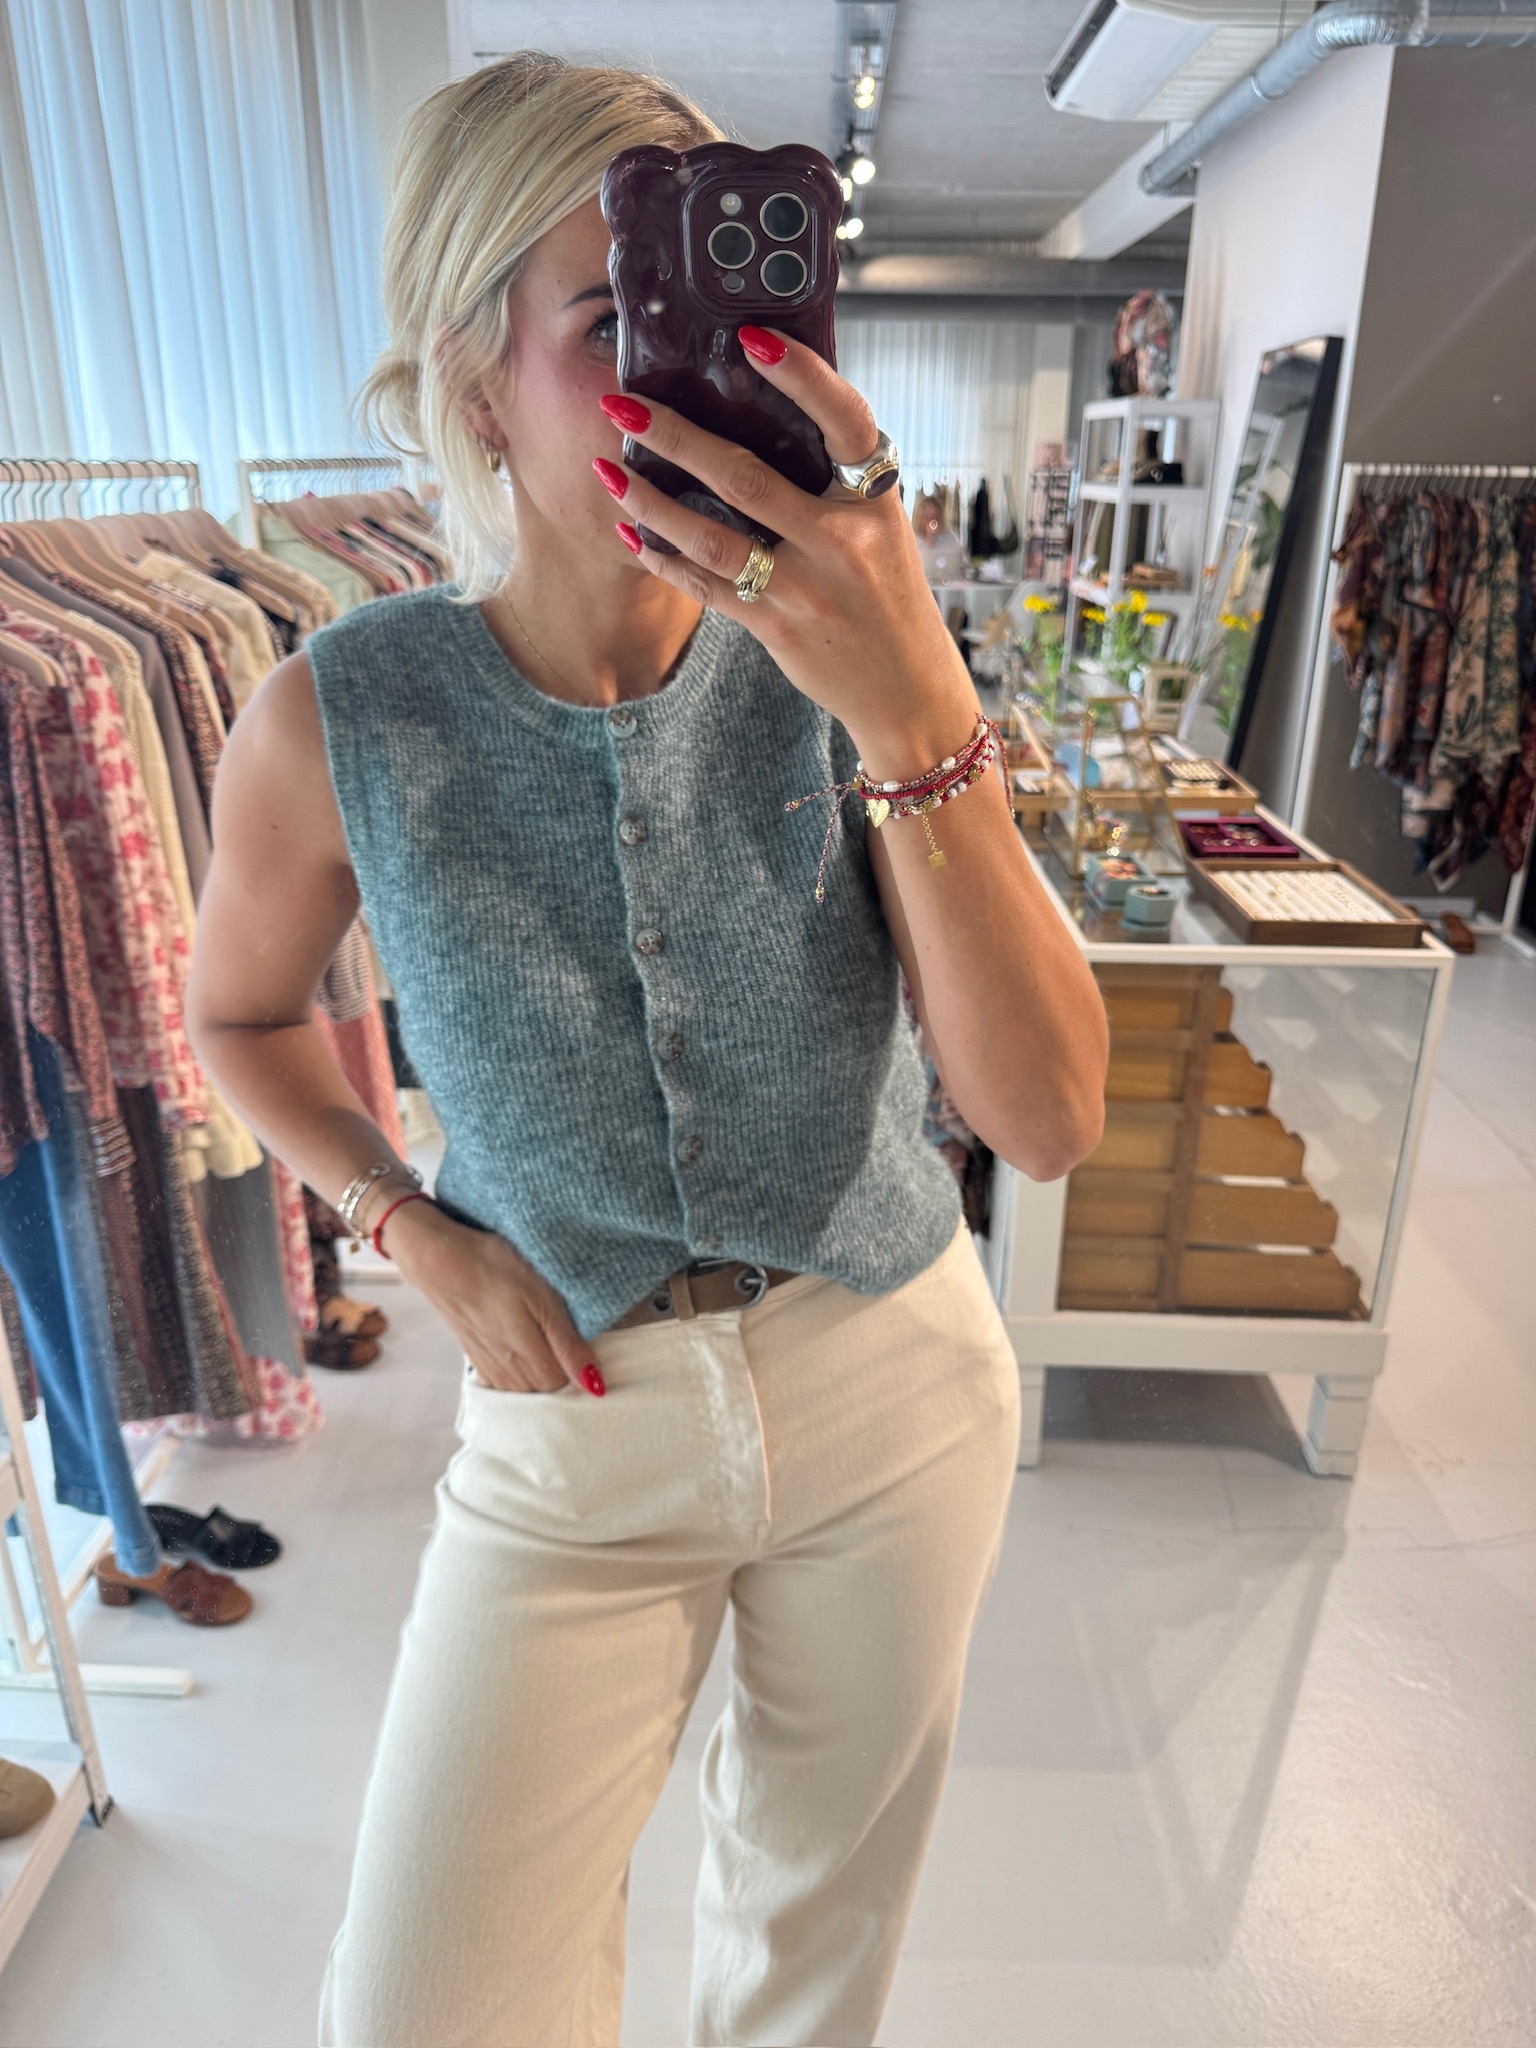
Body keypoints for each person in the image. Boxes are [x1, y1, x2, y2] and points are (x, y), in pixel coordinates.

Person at [187, 53, 1107, 2048]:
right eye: (621, 320)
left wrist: (911, 694)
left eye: (740, 318)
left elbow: (1045, 1117)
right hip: (571, 1424)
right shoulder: (342, 714)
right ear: (475, 385)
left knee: (806, 1973)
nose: (704, 376)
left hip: (891, 1376)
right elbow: (237, 1016)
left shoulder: (852, 659)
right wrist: (410, 1229)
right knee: (423, 2008)